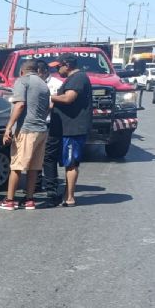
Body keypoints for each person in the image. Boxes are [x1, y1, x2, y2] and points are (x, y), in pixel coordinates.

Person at [0, 59, 50, 211]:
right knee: (34, 167)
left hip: (26, 129)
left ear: (21, 71)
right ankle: (29, 200)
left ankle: (9, 200)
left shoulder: (22, 81)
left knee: (17, 165)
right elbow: (47, 108)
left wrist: (8, 128)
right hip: (41, 129)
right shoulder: (43, 84)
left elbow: (19, 105)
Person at [50, 54, 93, 207]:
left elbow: (69, 98)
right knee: (68, 162)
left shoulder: (78, 78)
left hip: (73, 129)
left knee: (71, 163)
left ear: (67, 65)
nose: (56, 70)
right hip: (68, 128)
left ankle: (69, 198)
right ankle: (67, 194)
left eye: (57, 66)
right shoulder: (73, 78)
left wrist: (50, 97)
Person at [39, 61, 64, 204]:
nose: (38, 76)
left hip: (51, 123)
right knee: (35, 155)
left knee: (48, 156)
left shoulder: (57, 84)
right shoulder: (33, 83)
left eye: (40, 73)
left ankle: (51, 188)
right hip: (37, 124)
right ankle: (35, 185)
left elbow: (55, 104)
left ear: (45, 71)